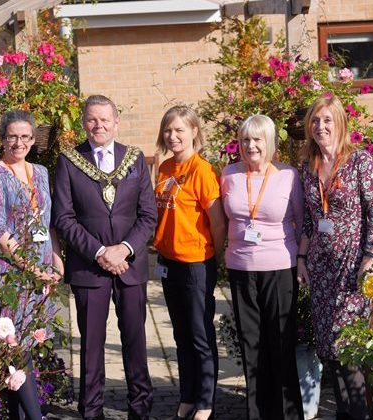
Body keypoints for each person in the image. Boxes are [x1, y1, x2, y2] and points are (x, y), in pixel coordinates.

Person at [52, 94, 157, 420]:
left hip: (130, 265)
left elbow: (148, 215)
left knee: (135, 341)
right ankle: (92, 410)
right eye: (92, 120)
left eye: (105, 119)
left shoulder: (135, 159)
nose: (99, 125)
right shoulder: (69, 161)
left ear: (116, 122)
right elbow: (64, 218)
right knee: (91, 346)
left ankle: (141, 408)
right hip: (89, 268)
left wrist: (124, 249)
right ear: (84, 123)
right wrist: (99, 252)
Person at [297, 95, 373, 420]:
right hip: (320, 271)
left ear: (340, 124)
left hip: (352, 270)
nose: (321, 127)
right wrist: (302, 258)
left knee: (349, 351)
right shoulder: (309, 167)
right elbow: (307, 218)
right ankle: (344, 415)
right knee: (328, 351)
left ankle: (357, 414)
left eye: (327, 120)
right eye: (315, 121)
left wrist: (370, 257)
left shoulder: (360, 162)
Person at [221, 114, 304, 420]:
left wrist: (303, 261)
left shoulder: (288, 176)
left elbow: (302, 223)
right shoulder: (228, 174)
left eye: (257, 139)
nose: (250, 145)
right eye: (245, 139)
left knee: (280, 342)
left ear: (269, 143)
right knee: (250, 343)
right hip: (240, 267)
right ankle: (256, 413)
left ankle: (288, 414)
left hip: (280, 266)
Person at [0, 110, 64, 420]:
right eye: (12, 136)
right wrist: (33, 268)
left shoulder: (41, 172)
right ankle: (36, 416)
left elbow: (49, 222)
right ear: (3, 138)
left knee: (28, 346)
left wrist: (57, 261)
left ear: (33, 139)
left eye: (25, 136)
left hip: (42, 271)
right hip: (11, 273)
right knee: (16, 348)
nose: (18, 142)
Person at [153, 105, 226, 420]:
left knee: (199, 335)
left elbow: (218, 222)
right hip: (168, 263)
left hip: (197, 263)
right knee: (181, 335)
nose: (173, 136)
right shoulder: (165, 168)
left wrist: (217, 258)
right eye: (168, 130)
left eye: (179, 130)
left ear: (194, 131)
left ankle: (206, 402)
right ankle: (187, 397)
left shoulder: (203, 171)